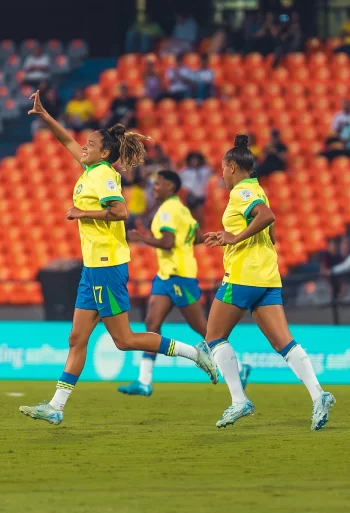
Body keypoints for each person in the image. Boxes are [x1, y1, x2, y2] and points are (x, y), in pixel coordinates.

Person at [19, 90, 217, 426]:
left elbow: (121, 211)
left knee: (124, 340)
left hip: (107, 265)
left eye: (91, 144)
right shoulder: (89, 168)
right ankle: (56, 406)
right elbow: (65, 139)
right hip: (92, 267)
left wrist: (83, 213)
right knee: (76, 338)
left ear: (105, 152)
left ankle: (195, 353)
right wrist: (45, 115)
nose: (83, 146)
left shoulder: (104, 176)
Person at [203, 134, 334, 429]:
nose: (222, 174)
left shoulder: (242, 193)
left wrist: (234, 238)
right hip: (267, 275)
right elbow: (270, 232)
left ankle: (239, 400)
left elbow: (266, 215)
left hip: (243, 274)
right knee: (284, 343)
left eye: (223, 168)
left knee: (214, 337)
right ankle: (318, 395)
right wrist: (233, 237)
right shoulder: (258, 189)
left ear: (233, 167)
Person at [119, 170, 252, 396]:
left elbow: (168, 242)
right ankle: (144, 381)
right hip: (166, 275)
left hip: (180, 275)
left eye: (158, 184)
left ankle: (239, 369)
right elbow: (198, 235)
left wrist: (142, 238)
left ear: (171, 187)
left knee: (204, 328)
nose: (154, 187)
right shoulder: (182, 210)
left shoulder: (169, 210)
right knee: (152, 322)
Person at [178, 152, 212, 226]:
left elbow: (214, 173)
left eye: (196, 160)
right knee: (190, 216)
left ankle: (201, 233)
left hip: (200, 196)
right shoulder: (184, 171)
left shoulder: (205, 170)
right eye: (192, 160)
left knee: (200, 217)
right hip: (189, 196)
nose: (194, 162)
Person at [320, 239, 345, 305]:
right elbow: (323, 270)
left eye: (334, 246)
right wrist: (328, 272)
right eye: (331, 246)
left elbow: (342, 269)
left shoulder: (339, 257)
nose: (333, 248)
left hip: (338, 280)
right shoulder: (326, 256)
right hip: (328, 281)